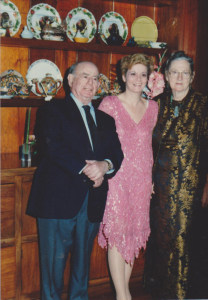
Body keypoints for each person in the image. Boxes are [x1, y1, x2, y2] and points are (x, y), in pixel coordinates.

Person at [26, 61, 124, 300]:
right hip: (57, 200)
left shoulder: (105, 119)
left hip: (91, 202)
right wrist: (86, 169)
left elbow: (117, 154)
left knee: (82, 270)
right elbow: (52, 147)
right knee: (53, 272)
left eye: (95, 78)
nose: (91, 84)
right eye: (84, 77)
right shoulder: (51, 110)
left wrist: (104, 166)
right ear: (70, 80)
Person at [144, 51, 208, 300]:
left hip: (193, 192)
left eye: (185, 73)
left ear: (192, 77)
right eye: (174, 72)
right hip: (159, 190)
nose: (179, 77)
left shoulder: (204, 105)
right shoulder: (156, 104)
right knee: (162, 243)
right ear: (166, 76)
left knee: (188, 244)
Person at [98, 53, 158, 300]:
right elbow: (99, 143)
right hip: (117, 180)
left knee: (133, 234)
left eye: (143, 74)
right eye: (133, 73)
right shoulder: (109, 104)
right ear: (123, 76)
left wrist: (152, 179)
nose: (138, 79)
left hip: (143, 180)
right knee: (117, 233)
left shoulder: (153, 107)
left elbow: (152, 146)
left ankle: (123, 293)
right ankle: (124, 296)